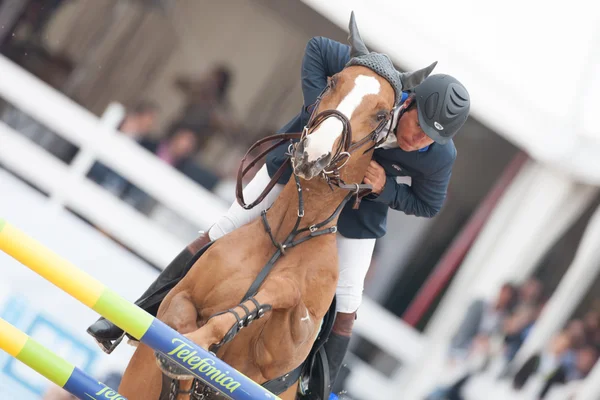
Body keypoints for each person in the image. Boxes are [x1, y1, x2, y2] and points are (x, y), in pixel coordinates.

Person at [88, 28, 470, 389]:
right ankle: (133, 317)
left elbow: (428, 203)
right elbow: (318, 47)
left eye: (431, 138)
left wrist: (386, 189)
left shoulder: (438, 156)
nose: (419, 140)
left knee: (350, 297)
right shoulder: (364, 76)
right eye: (419, 126)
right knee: (222, 228)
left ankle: (316, 389)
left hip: (356, 208)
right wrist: (318, 109)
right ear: (410, 101)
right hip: (296, 172)